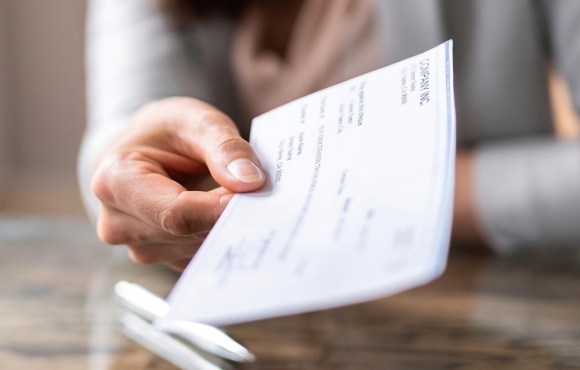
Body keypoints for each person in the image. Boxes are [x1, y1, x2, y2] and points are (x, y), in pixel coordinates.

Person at [79, 0, 580, 270]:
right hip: (258, 322)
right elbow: (121, 137)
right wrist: (131, 169)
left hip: (479, 295)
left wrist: (403, 189)